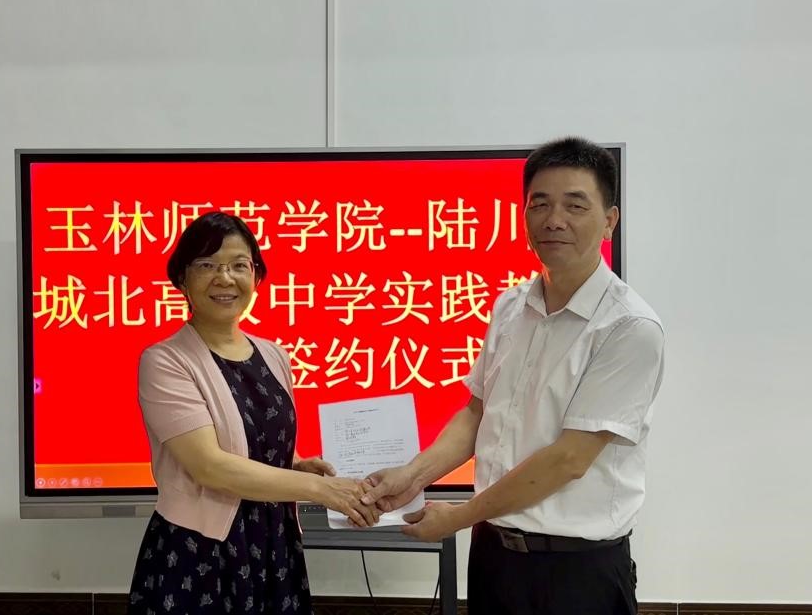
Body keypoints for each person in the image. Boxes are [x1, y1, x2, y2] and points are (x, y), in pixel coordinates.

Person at [361, 137, 665, 615]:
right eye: (539, 204)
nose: (554, 220)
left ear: (610, 221)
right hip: (494, 558)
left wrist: (459, 516)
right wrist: (412, 475)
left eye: (575, 205)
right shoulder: (510, 306)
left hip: (576, 573)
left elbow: (569, 459)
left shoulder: (629, 327)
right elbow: (476, 414)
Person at [127, 211, 378, 615]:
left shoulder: (273, 355)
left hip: (274, 545)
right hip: (199, 553)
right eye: (207, 265)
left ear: (256, 277)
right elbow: (210, 466)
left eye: (239, 265)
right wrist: (321, 491)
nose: (224, 278)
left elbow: (252, 440)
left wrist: (297, 465)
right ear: (182, 279)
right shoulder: (165, 361)